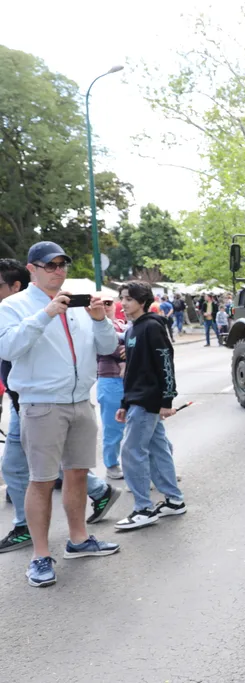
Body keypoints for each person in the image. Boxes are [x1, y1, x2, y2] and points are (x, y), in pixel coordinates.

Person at [0, 241, 121, 586]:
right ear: (32, 269)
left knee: (78, 474)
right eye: (49, 265)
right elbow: (8, 348)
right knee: (40, 480)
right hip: (41, 403)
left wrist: (99, 321)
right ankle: (39, 556)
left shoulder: (78, 303)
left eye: (62, 264)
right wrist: (46, 313)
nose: (58, 270)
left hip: (81, 401)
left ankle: (79, 539)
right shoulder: (14, 306)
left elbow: (109, 347)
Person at [111, 282, 186, 530]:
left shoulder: (152, 327)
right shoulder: (133, 330)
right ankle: (174, 501)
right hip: (137, 400)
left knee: (132, 452)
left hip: (148, 402)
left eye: (128, 299)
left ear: (141, 302)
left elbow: (166, 363)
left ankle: (143, 508)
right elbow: (132, 371)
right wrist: (124, 402)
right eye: (122, 298)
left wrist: (167, 401)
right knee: (157, 449)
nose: (123, 303)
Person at [96, 296, 127, 479]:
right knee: (113, 426)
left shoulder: (123, 325)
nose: (105, 307)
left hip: (130, 381)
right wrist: (129, 350)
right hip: (110, 380)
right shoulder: (95, 326)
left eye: (108, 303)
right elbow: (107, 348)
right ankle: (112, 464)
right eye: (101, 304)